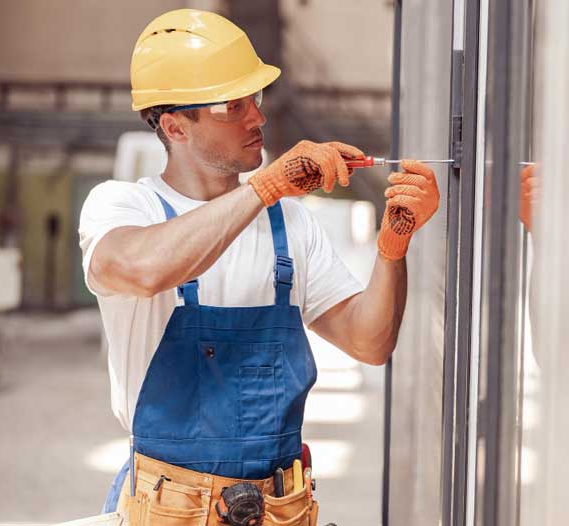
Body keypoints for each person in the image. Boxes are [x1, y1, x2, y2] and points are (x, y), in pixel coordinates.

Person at [78, 9, 440, 526]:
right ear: (175, 125)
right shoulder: (122, 206)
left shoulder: (288, 224)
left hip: (280, 509)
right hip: (168, 509)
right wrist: (266, 186)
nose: (257, 117)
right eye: (232, 104)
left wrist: (394, 244)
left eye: (256, 98)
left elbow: (370, 342)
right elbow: (142, 269)